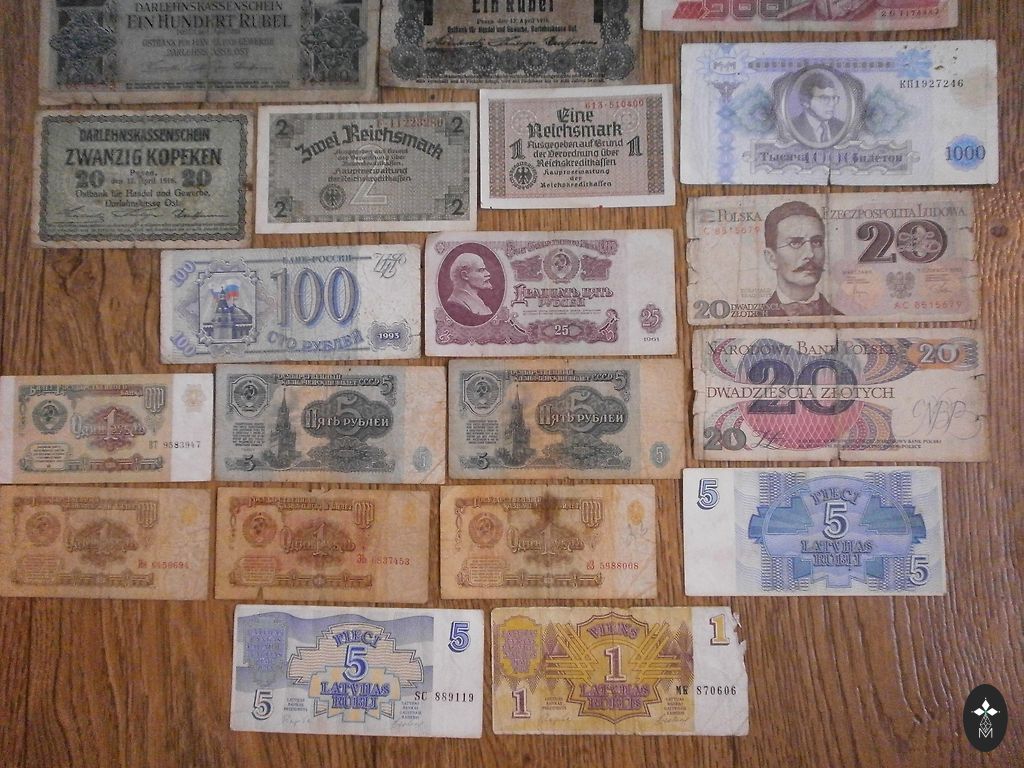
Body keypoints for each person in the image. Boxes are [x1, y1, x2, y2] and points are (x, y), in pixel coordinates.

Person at [761, 201, 841, 317]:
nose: (810, 254)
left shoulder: (842, 319)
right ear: (771, 258)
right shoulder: (756, 320)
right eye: (795, 243)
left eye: (817, 242)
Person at [791, 72, 846, 147]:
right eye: (824, 98)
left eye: (834, 98)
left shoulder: (841, 127)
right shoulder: (793, 128)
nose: (832, 104)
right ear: (805, 101)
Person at [445, 250, 495, 323]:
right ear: (465, 275)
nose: (488, 273)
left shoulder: (476, 299)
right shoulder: (455, 305)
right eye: (481, 270)